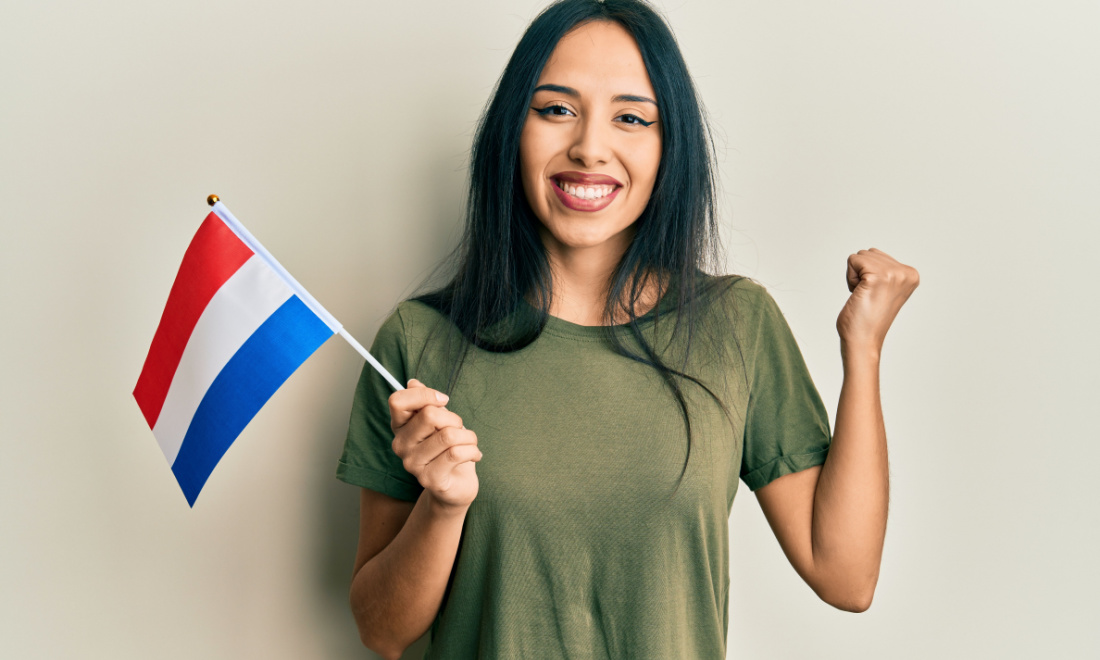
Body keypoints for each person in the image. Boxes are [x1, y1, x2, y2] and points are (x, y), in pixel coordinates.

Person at [337, 0, 920, 658]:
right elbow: (382, 633)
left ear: (670, 149)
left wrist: (863, 351)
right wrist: (442, 507)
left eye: (631, 118)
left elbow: (845, 576)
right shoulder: (420, 342)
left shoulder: (737, 325)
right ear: (512, 131)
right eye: (555, 109)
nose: (589, 146)